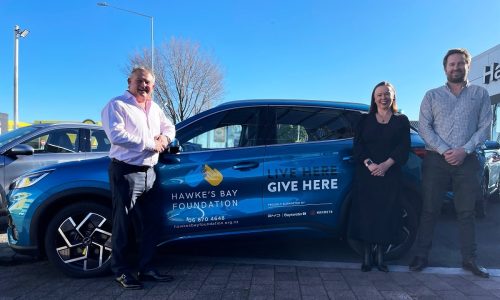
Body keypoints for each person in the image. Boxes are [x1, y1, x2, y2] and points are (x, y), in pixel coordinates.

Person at [409, 48, 492, 278]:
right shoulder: (432, 96)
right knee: (429, 210)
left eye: (459, 64)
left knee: (466, 212)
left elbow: (485, 127)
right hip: (436, 160)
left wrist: (464, 150)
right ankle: (421, 255)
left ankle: (470, 259)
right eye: (451, 64)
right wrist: (446, 150)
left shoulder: (480, 94)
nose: (455, 68)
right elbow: (424, 128)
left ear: (468, 66)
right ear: (445, 68)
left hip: (467, 160)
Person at [101, 66, 176, 289]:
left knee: (151, 223)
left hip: (151, 173)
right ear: (130, 81)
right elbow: (117, 135)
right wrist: (151, 143)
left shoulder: (155, 108)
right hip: (126, 172)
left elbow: (170, 127)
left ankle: (147, 268)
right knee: (123, 224)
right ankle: (122, 271)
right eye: (140, 81)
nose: (144, 86)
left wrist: (164, 138)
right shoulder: (117, 105)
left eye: (148, 83)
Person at [348, 81, 410, 272]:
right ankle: (367, 256)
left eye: (387, 94)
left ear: (393, 96)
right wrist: (370, 164)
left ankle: (381, 256)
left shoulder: (401, 120)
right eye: (379, 94)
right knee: (366, 214)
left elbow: (403, 147)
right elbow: (358, 146)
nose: (383, 97)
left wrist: (385, 165)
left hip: (390, 174)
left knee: (387, 214)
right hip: (366, 174)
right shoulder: (364, 120)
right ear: (374, 98)